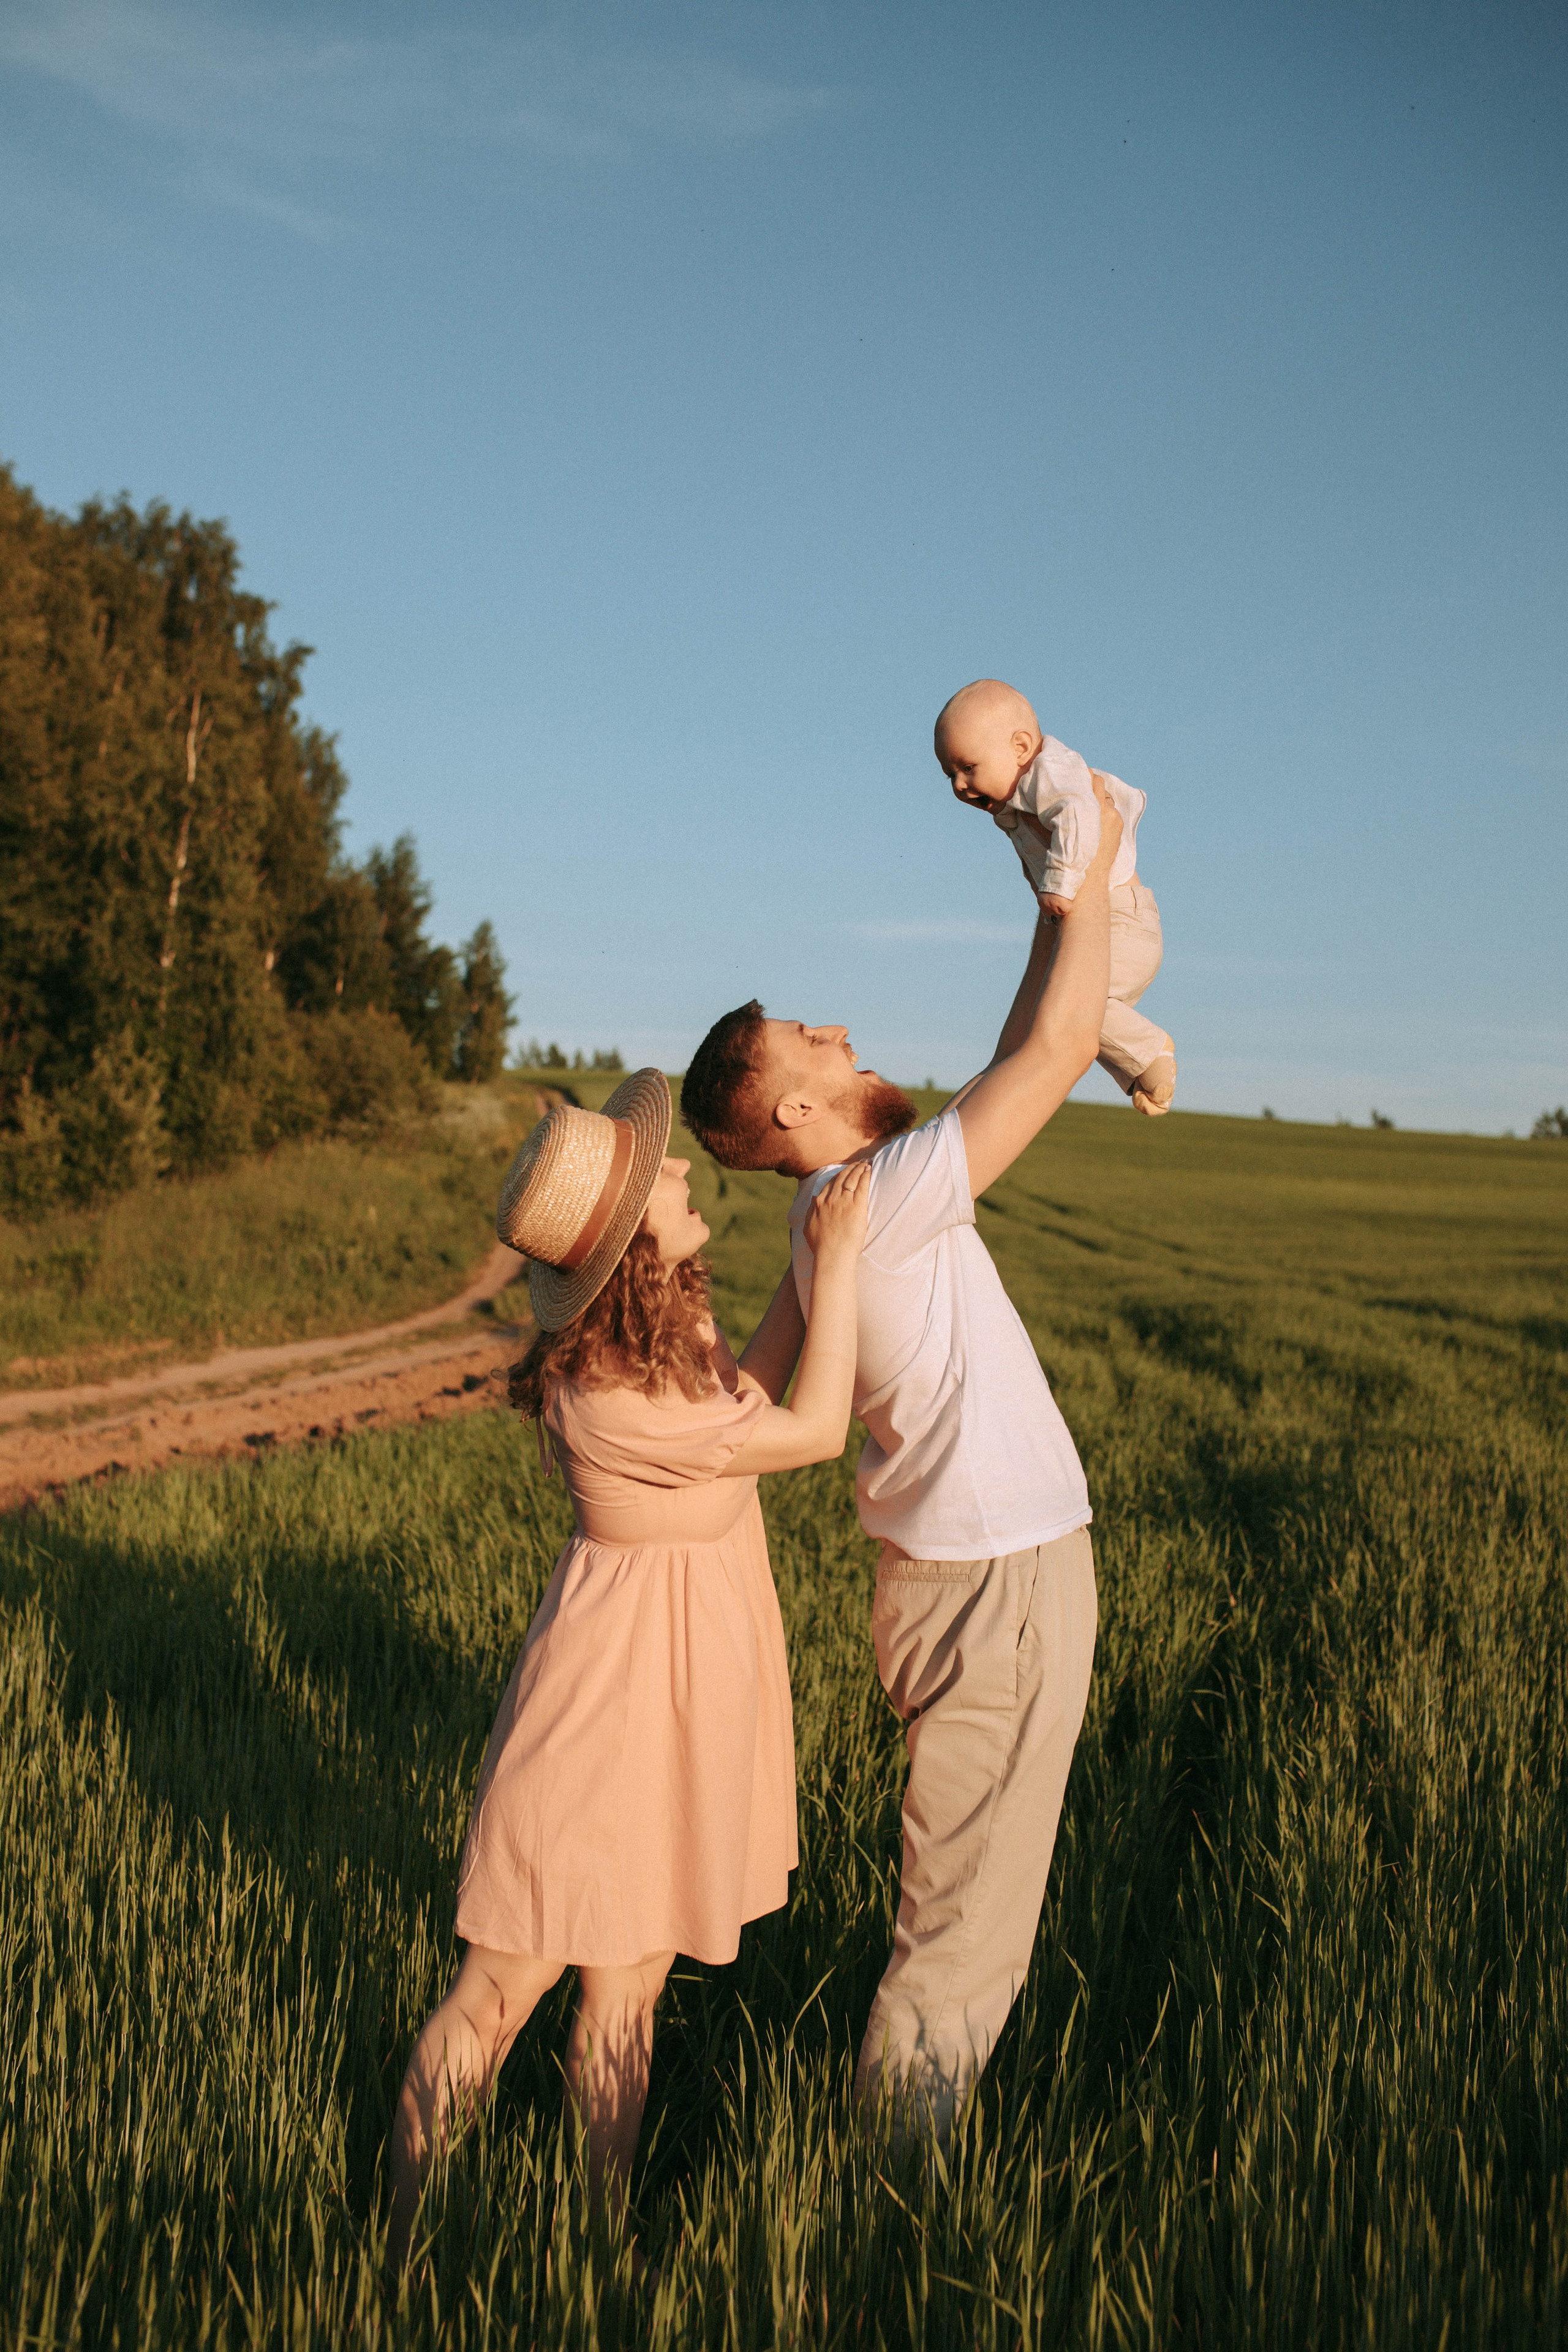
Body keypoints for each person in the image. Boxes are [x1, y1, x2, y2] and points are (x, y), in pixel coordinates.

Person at [679, 784, 1123, 2140]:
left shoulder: (834, 1215)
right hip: (997, 1590)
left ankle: (886, 2175)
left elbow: (737, 1404)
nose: (839, 1029)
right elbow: (1054, 1052)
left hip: (950, 1586)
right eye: (808, 1038)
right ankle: (888, 2211)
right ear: (795, 1105)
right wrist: (1094, 851)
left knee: (957, 1916)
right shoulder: (875, 1200)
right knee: (962, 1942)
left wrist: (1053, 898)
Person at [387, 1068, 869, 2268]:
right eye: (659, 1175)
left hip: (676, 1705)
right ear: (625, 1243)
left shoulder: (665, 1339)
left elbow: (748, 1392)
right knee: (498, 1994)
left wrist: (808, 1264)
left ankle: (596, 2252)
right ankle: (404, 2250)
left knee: (628, 1999)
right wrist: (844, 1260)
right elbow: (810, 1432)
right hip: (602, 1713)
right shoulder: (606, 1394)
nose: (683, 1168)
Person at [935, 676, 1175, 1117]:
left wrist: (1058, 883)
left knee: (1070, 1007)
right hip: (1105, 924)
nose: (959, 786)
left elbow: (1081, 816)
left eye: (968, 767)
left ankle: (1149, 1052)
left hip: (1122, 923)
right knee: (1057, 1016)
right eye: (951, 775)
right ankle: (1138, 1068)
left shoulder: (1050, 772)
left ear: (1021, 748)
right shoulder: (1017, 802)